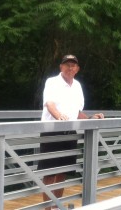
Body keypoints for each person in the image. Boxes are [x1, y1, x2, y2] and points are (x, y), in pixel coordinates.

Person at [38, 54, 104, 210]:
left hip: (70, 132)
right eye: (67, 64)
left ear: (77, 69)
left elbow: (77, 112)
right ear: (61, 67)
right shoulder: (52, 82)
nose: (70, 67)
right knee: (50, 172)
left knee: (63, 171)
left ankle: (55, 206)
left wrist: (90, 118)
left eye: (73, 65)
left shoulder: (77, 86)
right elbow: (50, 104)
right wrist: (59, 117)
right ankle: (48, 208)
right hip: (52, 131)